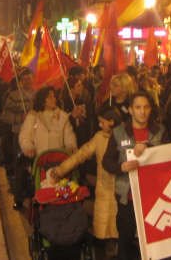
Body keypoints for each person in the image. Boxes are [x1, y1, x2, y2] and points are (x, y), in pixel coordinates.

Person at [103, 91, 166, 260]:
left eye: (146, 107)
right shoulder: (118, 132)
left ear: (151, 109)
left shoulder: (160, 131)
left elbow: (170, 158)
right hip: (127, 198)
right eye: (138, 107)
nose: (142, 111)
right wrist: (121, 167)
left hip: (154, 198)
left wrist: (149, 147)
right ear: (130, 110)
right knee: (125, 242)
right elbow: (106, 162)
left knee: (153, 243)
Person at [51, 107, 122, 256]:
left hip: (121, 189)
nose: (100, 125)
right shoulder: (99, 137)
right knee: (104, 227)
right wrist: (61, 169)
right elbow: (81, 155)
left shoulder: (123, 136)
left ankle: (114, 249)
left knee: (118, 226)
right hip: (104, 188)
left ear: (111, 122)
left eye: (102, 122)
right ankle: (106, 250)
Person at [16, 86, 77, 210]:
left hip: (58, 161)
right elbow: (25, 136)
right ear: (43, 100)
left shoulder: (63, 117)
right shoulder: (33, 117)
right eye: (50, 97)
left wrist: (71, 147)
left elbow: (69, 136)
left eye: (54, 96)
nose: (53, 99)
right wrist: (28, 147)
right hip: (38, 159)